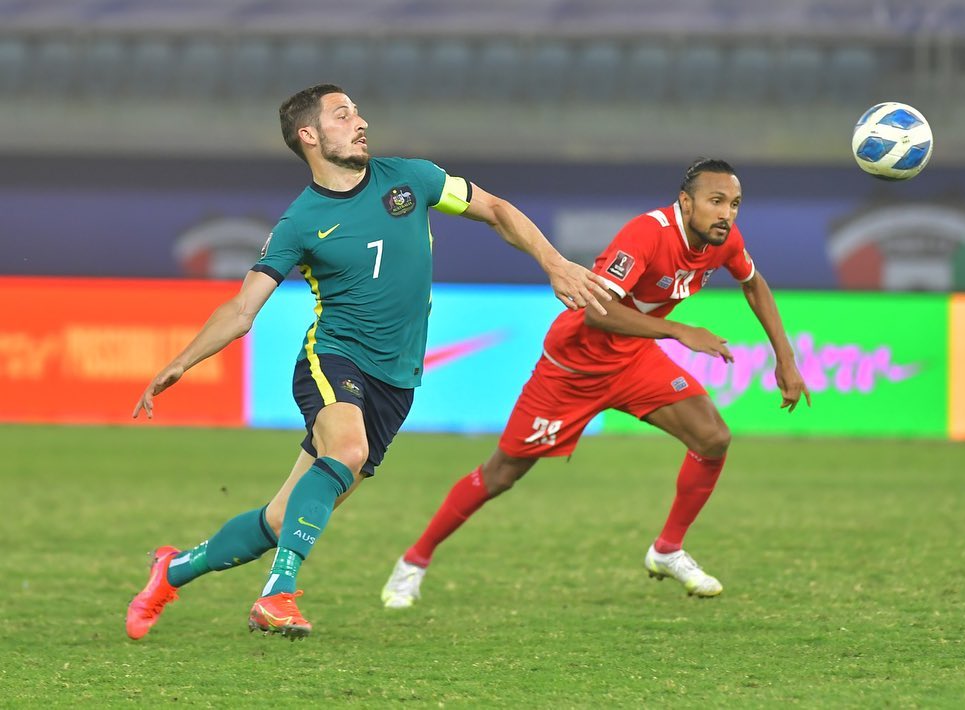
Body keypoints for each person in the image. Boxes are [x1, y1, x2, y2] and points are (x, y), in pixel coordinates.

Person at [125, 83, 611, 641]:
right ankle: (277, 594)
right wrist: (181, 361)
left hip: (397, 381)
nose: (360, 122)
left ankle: (172, 570)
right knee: (348, 451)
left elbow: (496, 210)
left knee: (284, 519)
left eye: (357, 112)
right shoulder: (299, 223)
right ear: (309, 136)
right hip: (334, 357)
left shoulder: (413, 178)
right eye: (342, 115)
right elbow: (241, 310)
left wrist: (553, 263)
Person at [381, 158, 811, 608]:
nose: (726, 214)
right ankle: (413, 561)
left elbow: (754, 283)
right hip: (574, 368)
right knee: (501, 474)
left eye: (735, 204)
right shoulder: (647, 235)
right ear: (686, 202)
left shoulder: (724, 241)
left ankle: (667, 550)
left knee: (713, 437)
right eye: (716, 201)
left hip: (633, 360)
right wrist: (678, 331)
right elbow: (595, 310)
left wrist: (786, 359)